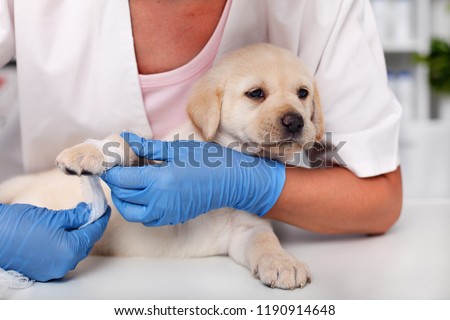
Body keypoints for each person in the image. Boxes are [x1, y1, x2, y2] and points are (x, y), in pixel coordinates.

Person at [0, 0, 402, 281]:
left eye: (302, 95)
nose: (293, 114)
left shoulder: (321, 8)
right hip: (53, 236)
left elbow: (380, 196)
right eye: (256, 94)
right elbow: (126, 150)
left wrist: (256, 185)